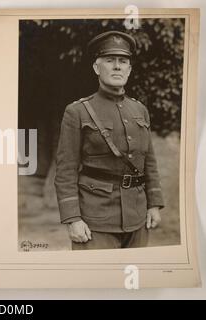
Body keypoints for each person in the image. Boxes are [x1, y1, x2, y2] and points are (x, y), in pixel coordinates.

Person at [54, 30, 164, 250]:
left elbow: (148, 162)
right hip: (96, 220)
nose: (117, 66)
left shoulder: (140, 110)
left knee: (135, 282)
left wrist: (154, 204)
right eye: (109, 60)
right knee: (95, 282)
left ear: (129, 69)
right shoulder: (78, 111)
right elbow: (65, 170)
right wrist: (73, 218)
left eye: (123, 61)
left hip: (137, 218)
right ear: (96, 68)